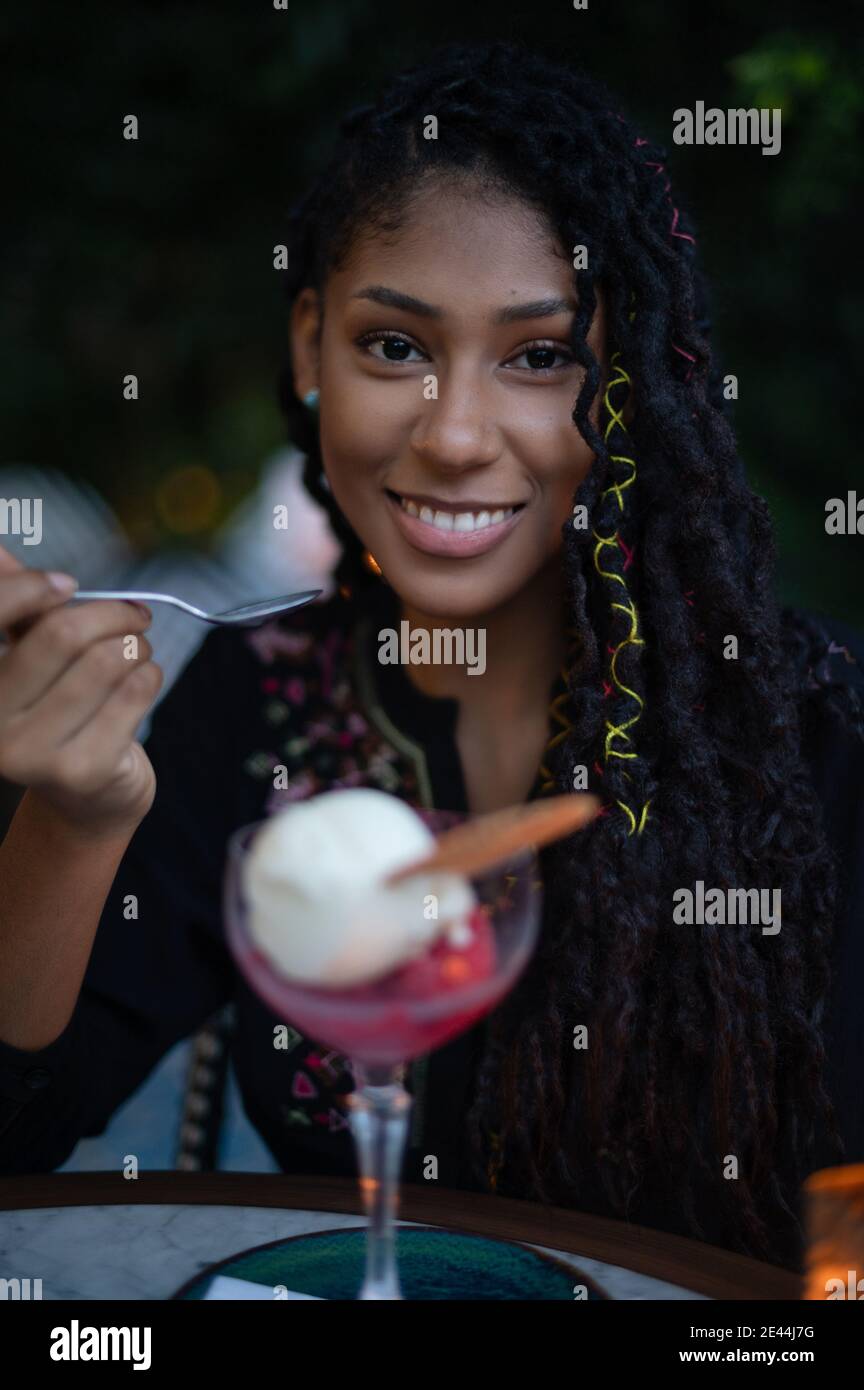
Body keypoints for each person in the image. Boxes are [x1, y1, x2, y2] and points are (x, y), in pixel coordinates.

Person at [0, 39, 861, 1272]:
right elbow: (21, 1143)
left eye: (541, 355)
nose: (454, 435)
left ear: (634, 382)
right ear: (310, 349)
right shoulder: (263, 703)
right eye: (394, 347)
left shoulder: (818, 736)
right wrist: (72, 817)